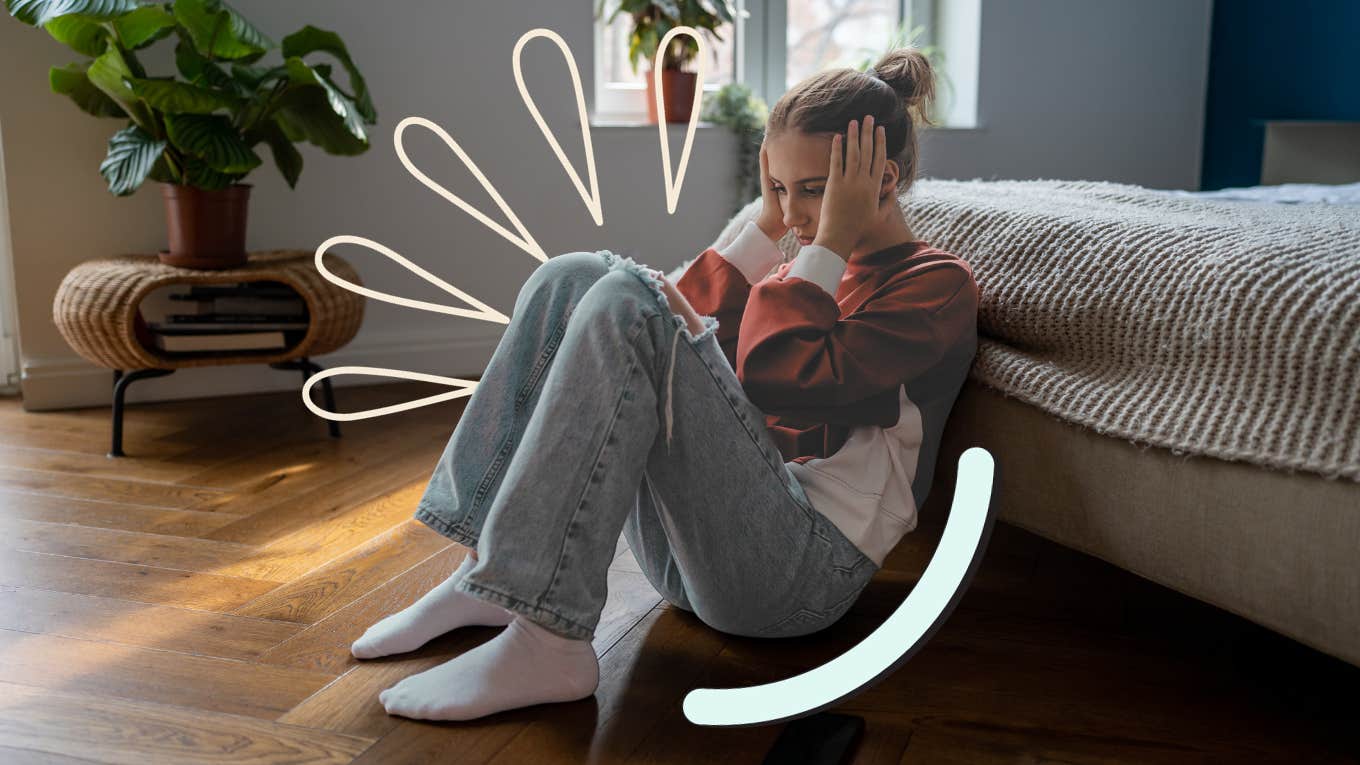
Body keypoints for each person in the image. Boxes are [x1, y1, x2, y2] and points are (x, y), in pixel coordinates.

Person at [352, 46, 979, 722]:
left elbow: (781, 379)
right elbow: (661, 321)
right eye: (780, 190)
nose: (795, 217)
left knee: (627, 296)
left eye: (815, 189)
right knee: (579, 277)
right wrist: (767, 228)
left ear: (880, 181)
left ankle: (550, 639)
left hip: (799, 577)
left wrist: (821, 249)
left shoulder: (933, 287)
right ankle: (494, 574)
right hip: (702, 554)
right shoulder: (803, 272)